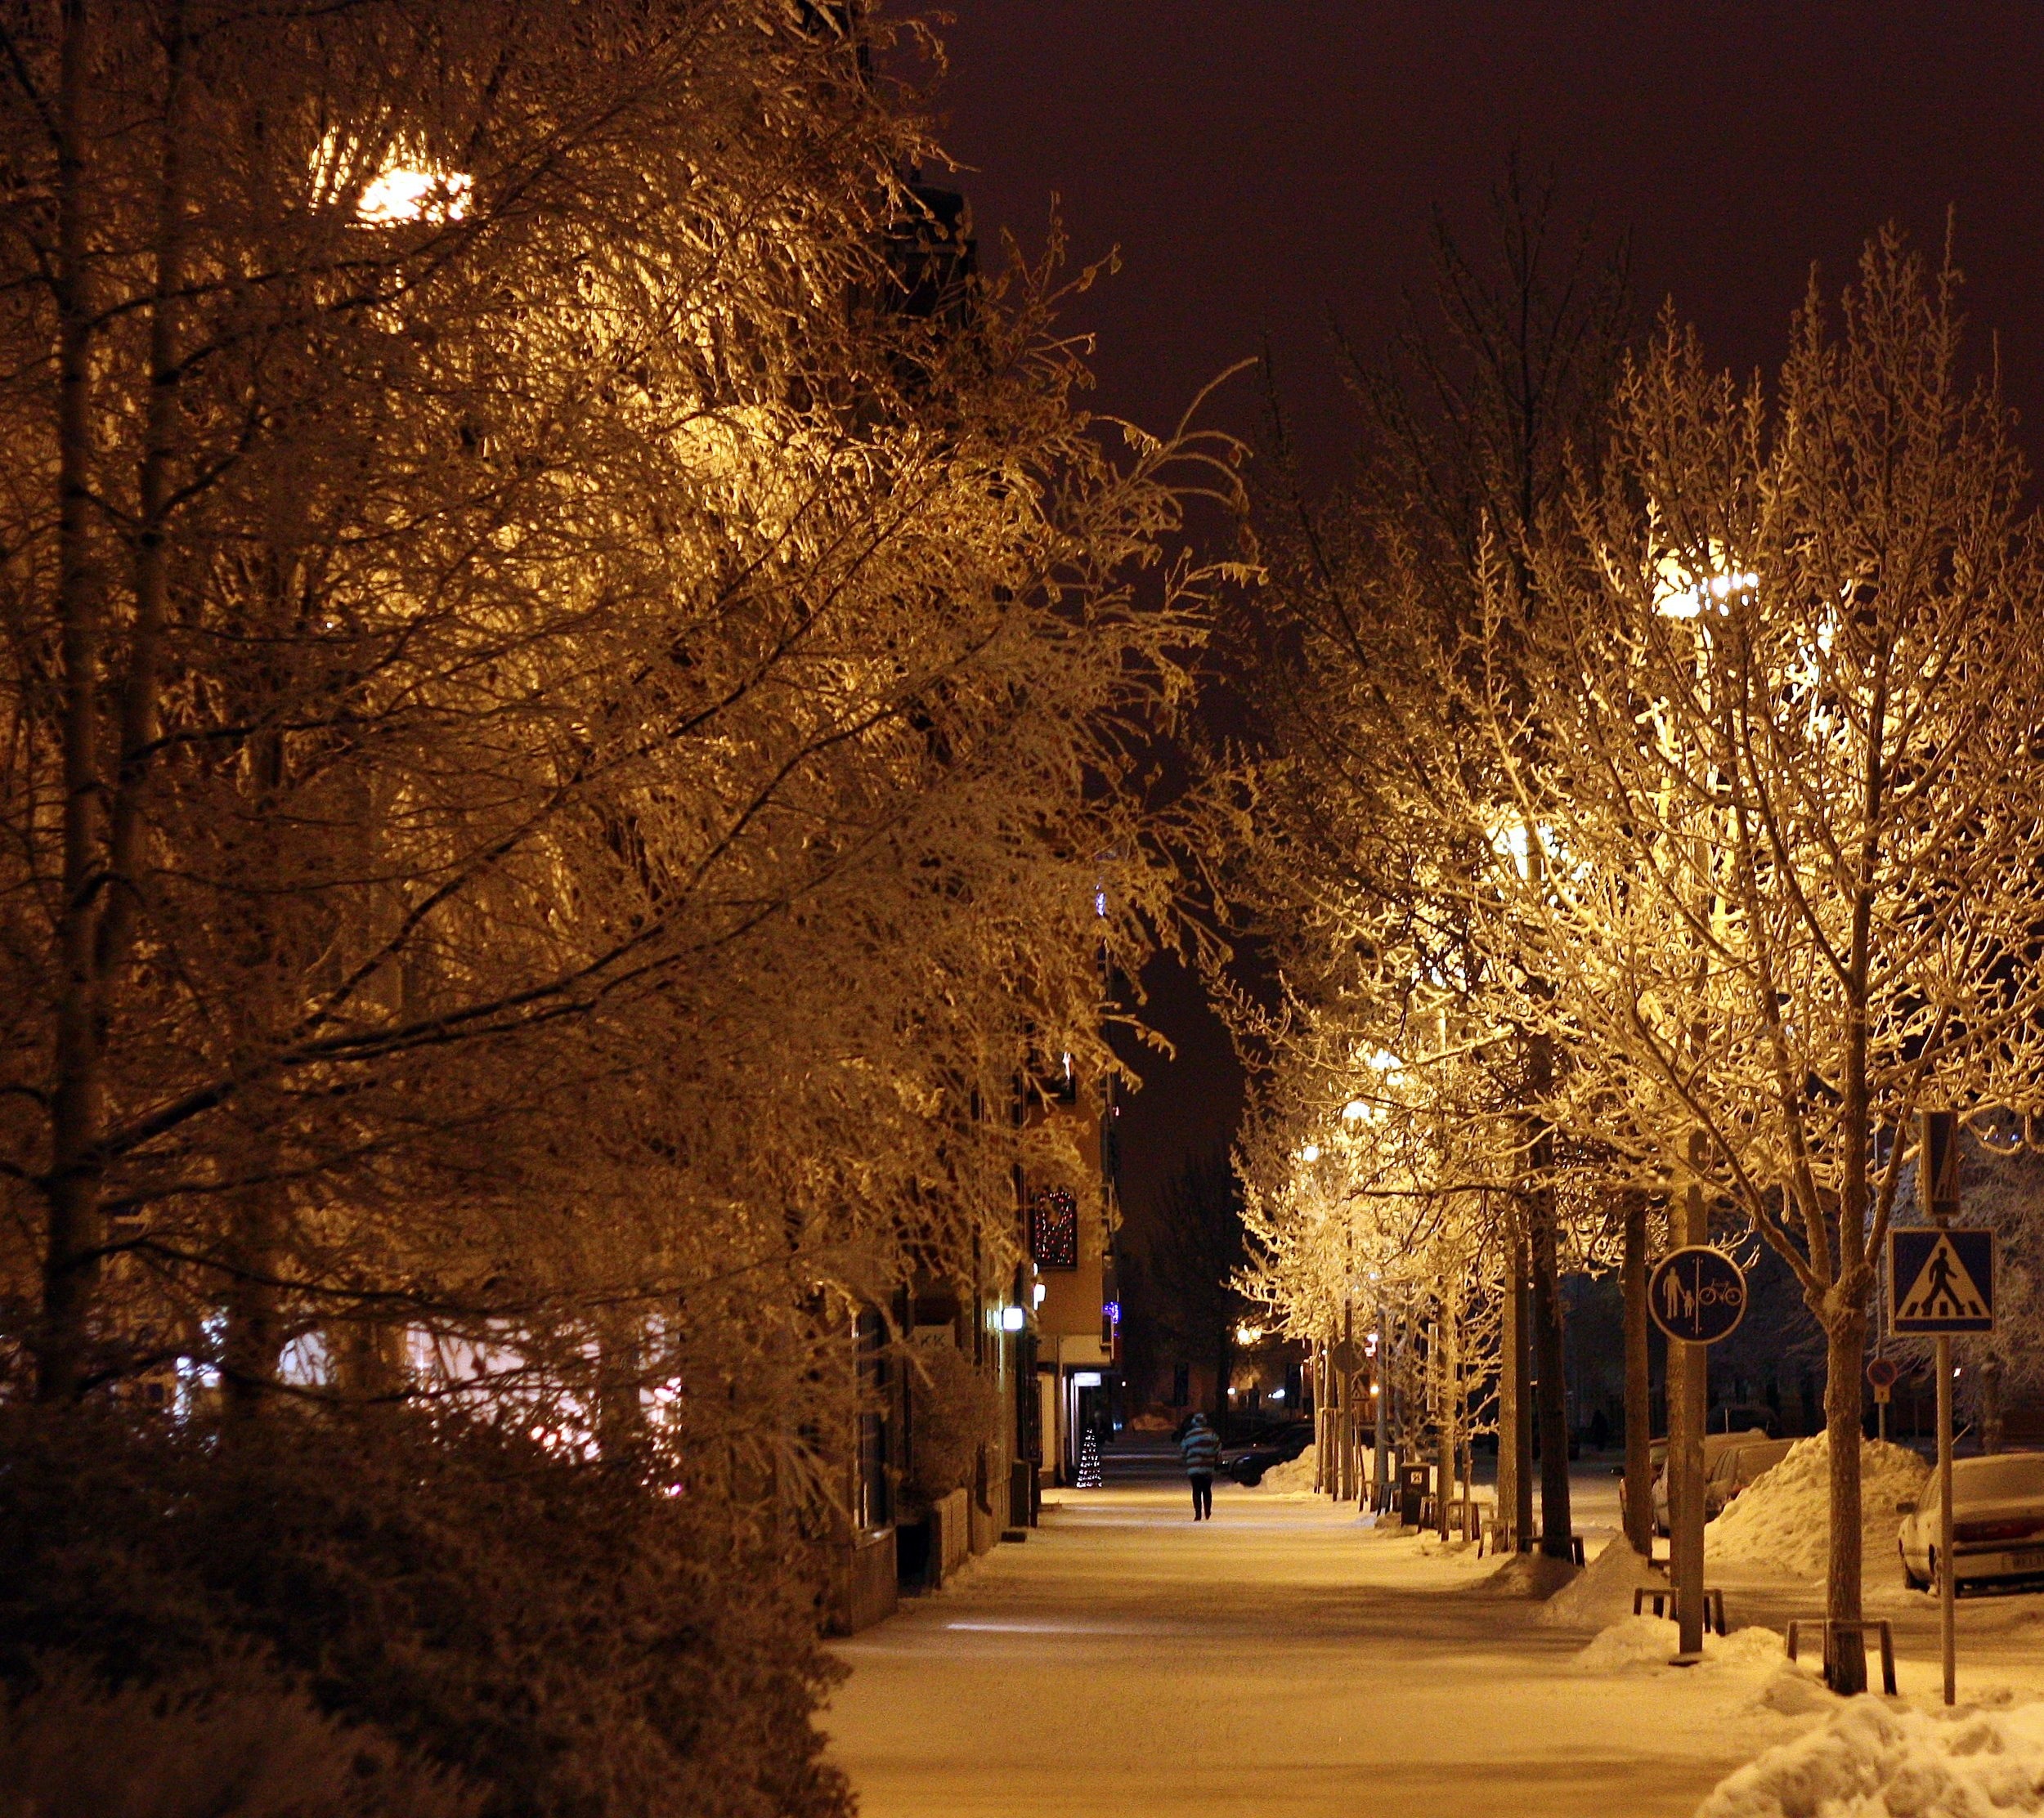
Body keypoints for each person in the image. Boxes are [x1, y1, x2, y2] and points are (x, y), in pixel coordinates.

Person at [1181, 1410, 1221, 1520]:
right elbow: (1218, 1449)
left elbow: (1183, 1449)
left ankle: (1198, 1514)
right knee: (1207, 1490)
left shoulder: (1189, 1436)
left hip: (1194, 1467)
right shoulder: (1212, 1434)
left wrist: (1186, 1458)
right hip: (1208, 1466)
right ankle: (1207, 1512)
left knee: (1196, 1490)